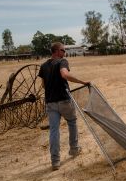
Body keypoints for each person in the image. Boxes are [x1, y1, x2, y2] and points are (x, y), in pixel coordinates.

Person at [38, 42, 89, 170]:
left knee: (54, 131)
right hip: (64, 101)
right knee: (72, 122)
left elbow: (43, 85)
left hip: (50, 103)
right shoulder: (62, 62)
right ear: (56, 51)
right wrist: (82, 82)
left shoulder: (43, 66)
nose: (64, 53)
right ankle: (74, 149)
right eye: (63, 50)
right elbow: (64, 75)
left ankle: (55, 161)